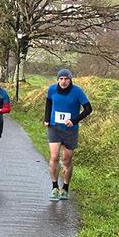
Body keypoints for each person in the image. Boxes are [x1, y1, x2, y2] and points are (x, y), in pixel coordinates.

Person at [44, 69, 92, 201]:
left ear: (70, 80)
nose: (63, 81)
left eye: (66, 79)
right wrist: (47, 118)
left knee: (67, 160)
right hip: (54, 127)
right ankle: (54, 187)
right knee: (54, 157)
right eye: (61, 79)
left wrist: (74, 120)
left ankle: (65, 188)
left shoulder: (77, 91)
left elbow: (88, 108)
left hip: (70, 130)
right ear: (57, 80)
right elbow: (48, 103)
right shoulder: (52, 89)